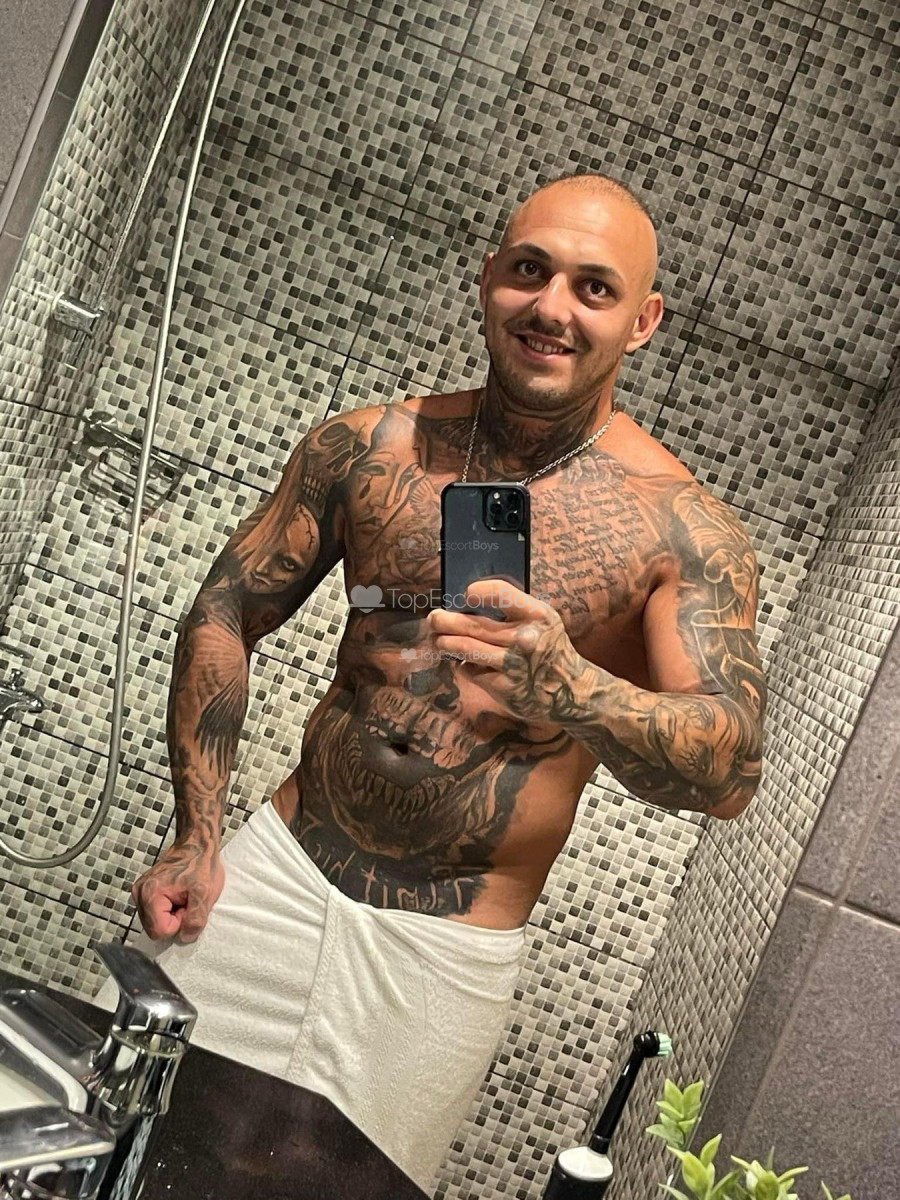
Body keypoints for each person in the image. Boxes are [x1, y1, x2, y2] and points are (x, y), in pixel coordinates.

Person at [100, 171, 766, 1194]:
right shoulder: (369, 446)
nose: (552, 307)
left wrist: (571, 689)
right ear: (488, 278)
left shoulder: (684, 528)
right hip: (272, 879)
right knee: (124, 1152)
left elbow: (729, 773)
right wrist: (197, 831)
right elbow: (227, 609)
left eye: (594, 288)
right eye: (530, 271)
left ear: (643, 322)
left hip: (444, 956)